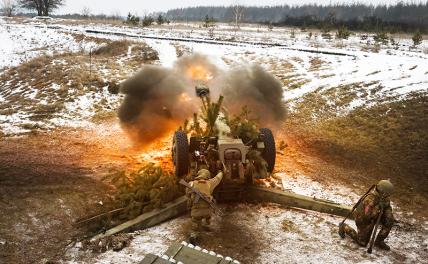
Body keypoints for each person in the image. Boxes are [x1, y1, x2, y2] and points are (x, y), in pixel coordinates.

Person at [339, 179, 395, 250]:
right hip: (363, 219)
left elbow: (387, 206)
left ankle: (379, 241)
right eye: (388, 194)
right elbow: (367, 215)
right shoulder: (370, 199)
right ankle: (344, 227)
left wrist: (388, 216)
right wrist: (378, 211)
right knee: (362, 243)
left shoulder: (384, 197)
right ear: (383, 192)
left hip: (374, 215)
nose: (389, 195)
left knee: (389, 221)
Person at [186, 168, 223, 243]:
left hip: (196, 210)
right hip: (207, 211)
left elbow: (187, 193)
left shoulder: (192, 183)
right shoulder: (210, 183)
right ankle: (207, 225)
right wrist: (221, 172)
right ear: (207, 175)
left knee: (195, 222)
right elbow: (217, 178)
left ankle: (194, 235)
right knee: (208, 216)